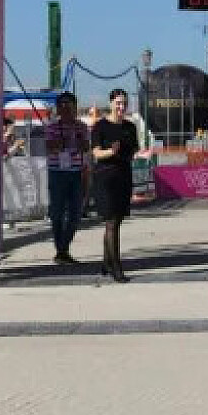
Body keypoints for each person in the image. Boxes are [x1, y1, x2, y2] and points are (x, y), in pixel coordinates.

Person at [90, 89, 139, 282]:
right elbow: (96, 153)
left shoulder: (130, 127)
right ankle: (116, 268)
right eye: (118, 103)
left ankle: (106, 262)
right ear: (111, 103)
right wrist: (111, 151)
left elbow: (132, 151)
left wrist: (133, 153)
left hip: (123, 177)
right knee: (111, 222)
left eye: (124, 103)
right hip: (105, 178)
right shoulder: (100, 126)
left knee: (116, 221)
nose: (121, 107)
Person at [44, 92, 89, 264]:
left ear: (75, 107)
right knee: (56, 213)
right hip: (57, 173)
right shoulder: (51, 127)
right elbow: (50, 147)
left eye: (69, 104)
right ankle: (61, 251)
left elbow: (86, 147)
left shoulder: (82, 126)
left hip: (76, 173)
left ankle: (63, 249)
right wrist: (62, 143)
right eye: (62, 105)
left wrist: (76, 142)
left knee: (76, 213)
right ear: (57, 108)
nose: (65, 108)